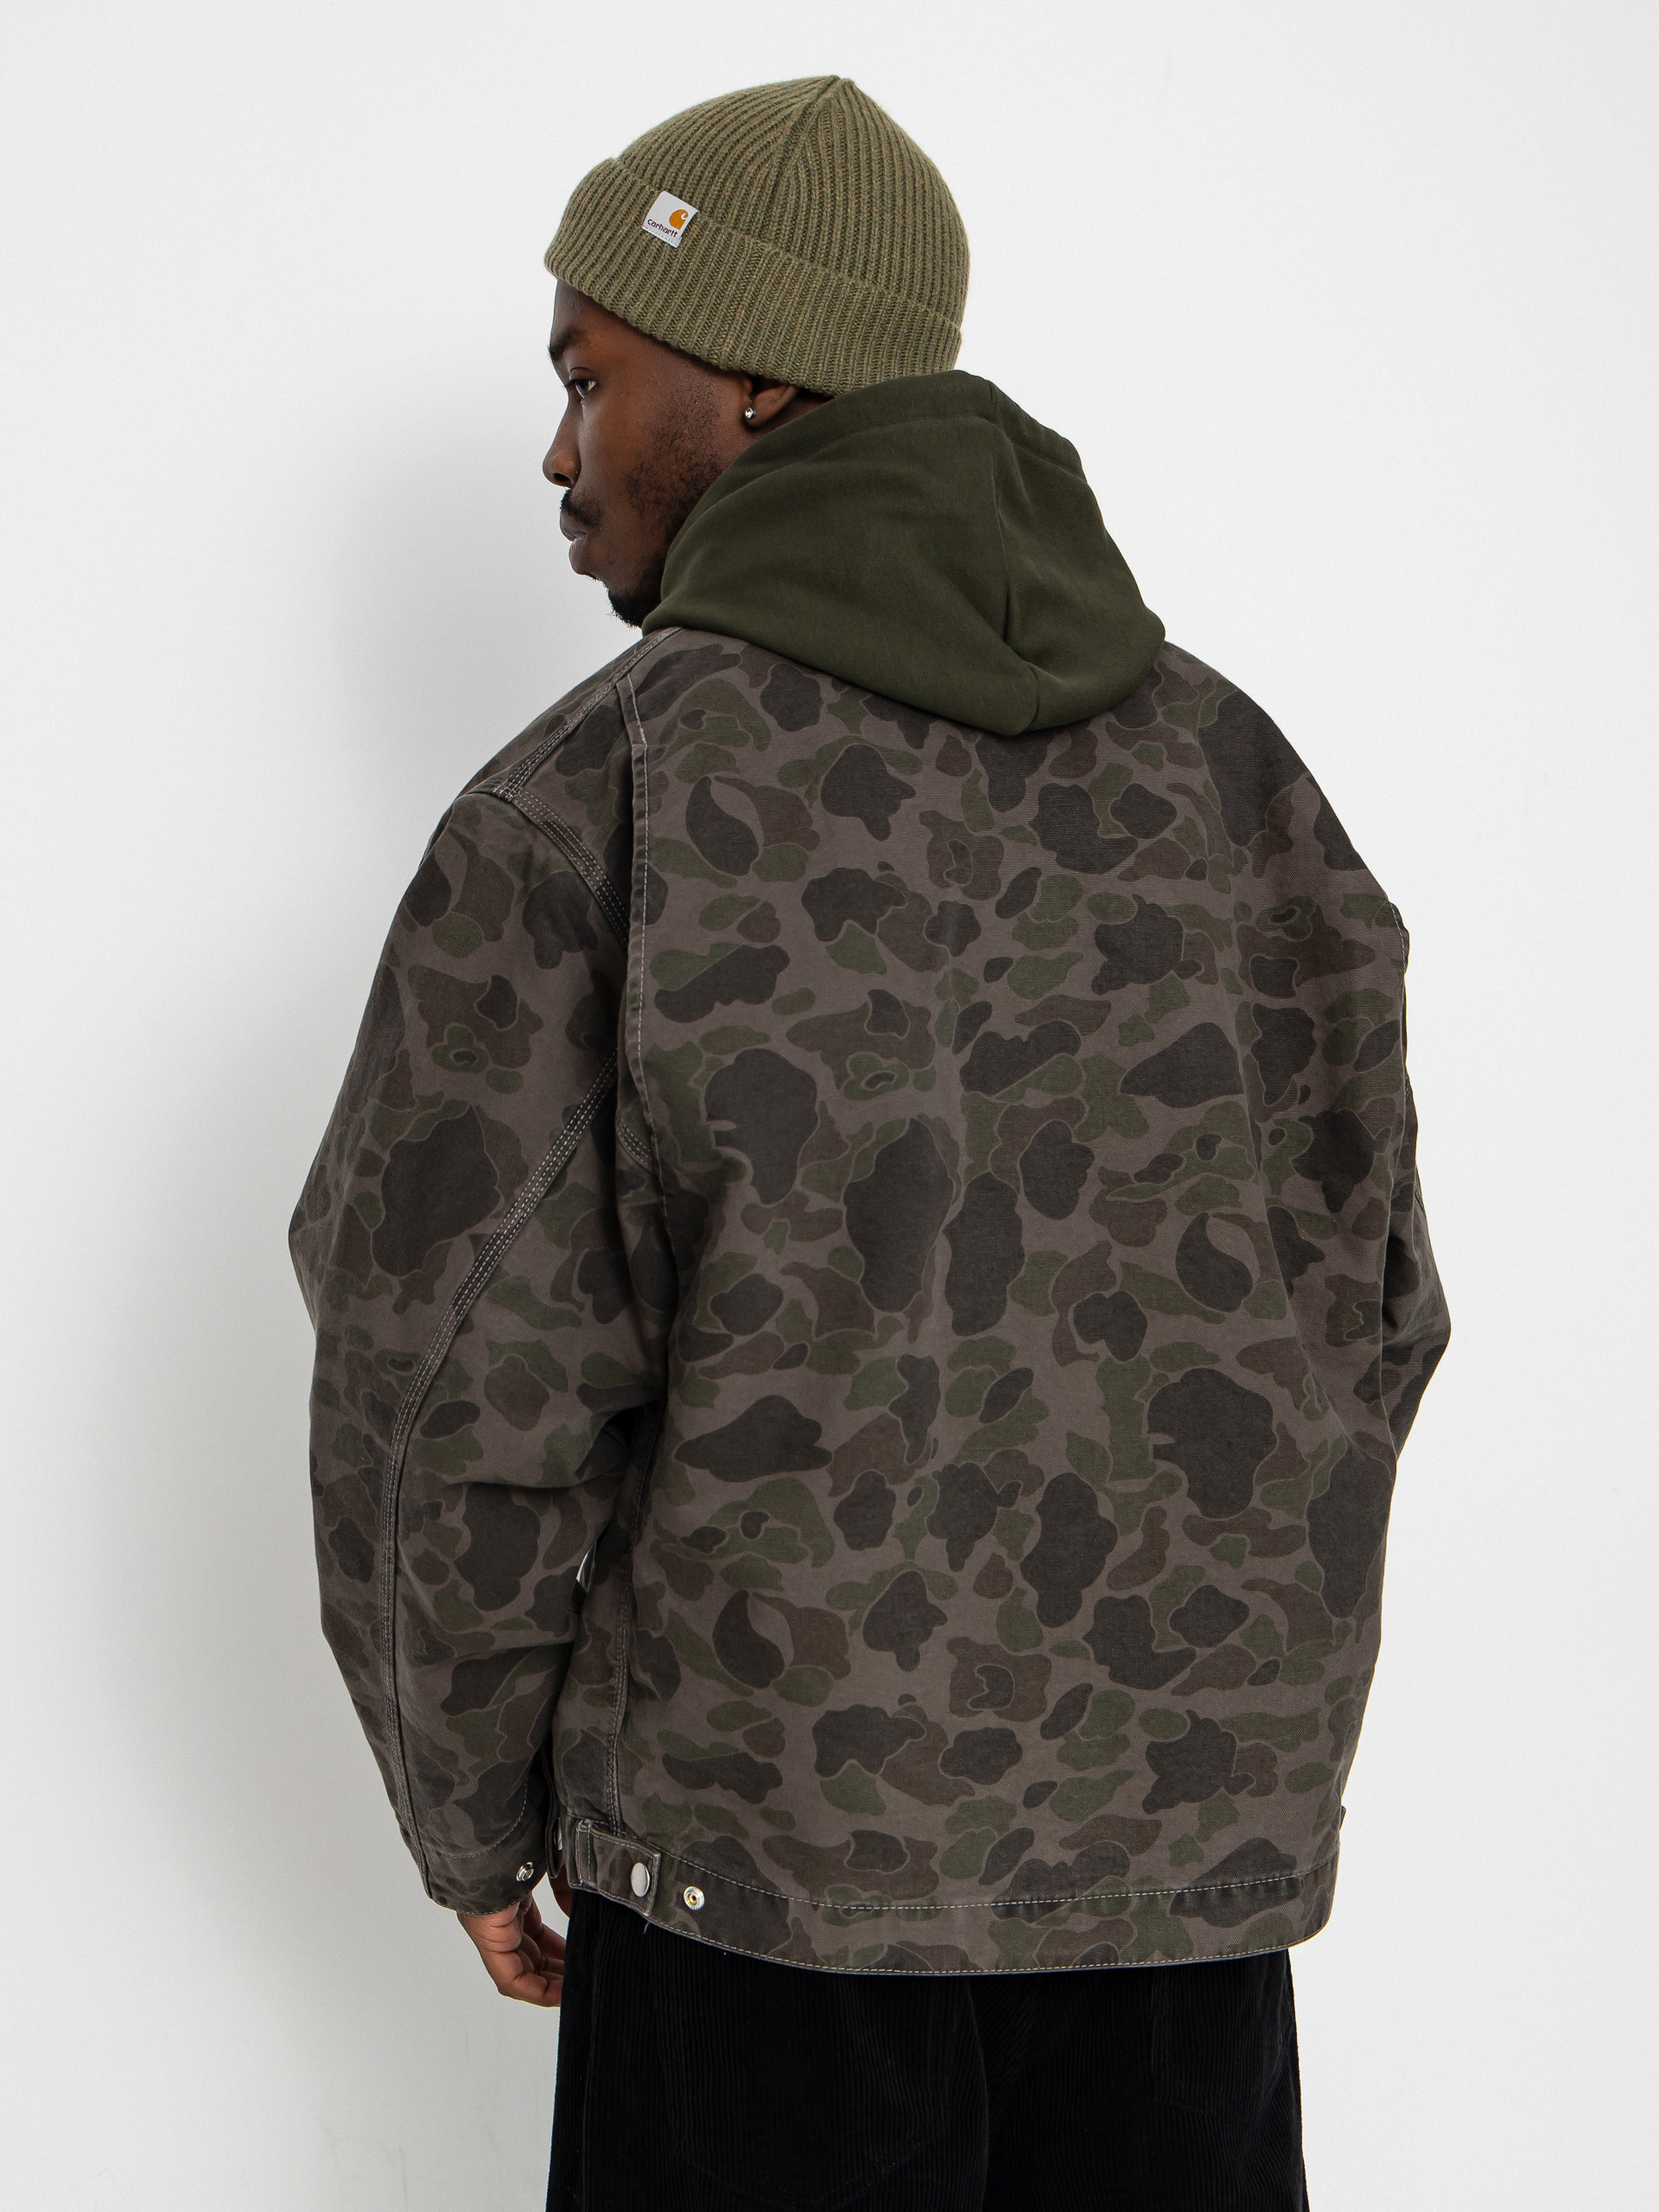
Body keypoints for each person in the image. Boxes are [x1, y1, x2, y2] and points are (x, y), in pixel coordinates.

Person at [290, 75, 1449, 2211]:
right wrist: (1214, 1764)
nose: (557, 450)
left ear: (752, 378)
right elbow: (1373, 1309)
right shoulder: (1238, 784)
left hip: (761, 1908)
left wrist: (472, 1813)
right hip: (1179, 1929)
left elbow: (445, 1386)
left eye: (586, 374)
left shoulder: (593, 807)